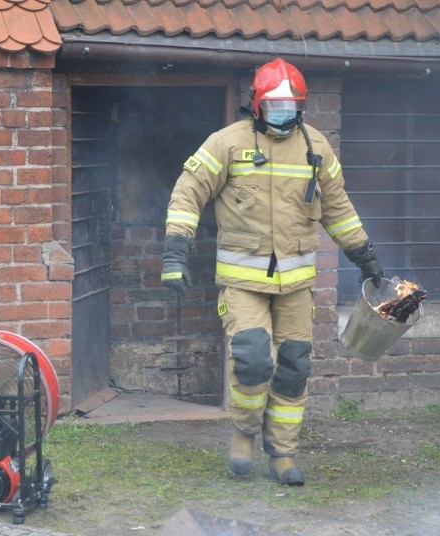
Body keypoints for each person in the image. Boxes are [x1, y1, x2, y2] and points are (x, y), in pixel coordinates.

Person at [161, 58, 384, 486]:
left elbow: (337, 208)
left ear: (300, 106)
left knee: (294, 366)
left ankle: (283, 452)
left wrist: (365, 257)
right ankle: (245, 431)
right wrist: (175, 254)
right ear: (257, 104)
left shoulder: (315, 147)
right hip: (243, 282)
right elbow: (187, 195)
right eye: (275, 104)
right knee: (251, 358)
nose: (283, 113)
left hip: (296, 285)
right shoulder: (226, 143)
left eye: (291, 105)